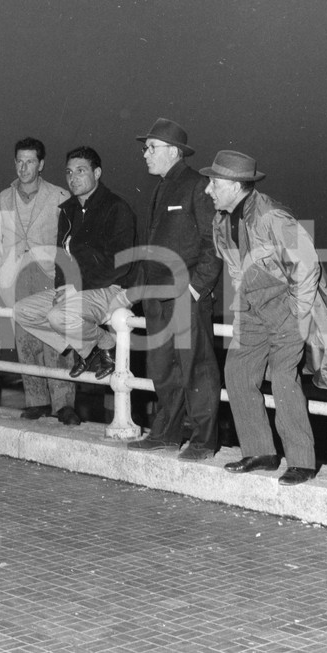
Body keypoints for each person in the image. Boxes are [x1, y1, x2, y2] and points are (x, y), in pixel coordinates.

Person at [202, 150, 327, 485]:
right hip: (254, 306)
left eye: (214, 183)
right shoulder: (222, 219)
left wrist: (299, 315)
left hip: (288, 304)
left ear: (234, 185)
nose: (208, 190)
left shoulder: (272, 216)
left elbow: (307, 266)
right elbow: (234, 267)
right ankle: (261, 452)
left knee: (285, 377)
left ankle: (301, 460)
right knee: (237, 371)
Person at [12, 146, 136, 425]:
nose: (73, 178)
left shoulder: (117, 208)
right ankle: (92, 347)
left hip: (109, 288)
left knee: (58, 316)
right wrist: (60, 286)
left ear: (97, 173)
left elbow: (121, 263)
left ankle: (98, 345)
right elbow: (60, 256)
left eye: (81, 171)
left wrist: (76, 286)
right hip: (74, 291)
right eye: (69, 172)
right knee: (22, 312)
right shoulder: (67, 210)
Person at [125, 118, 222, 461]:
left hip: (185, 297)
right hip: (157, 298)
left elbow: (215, 245)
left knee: (196, 366)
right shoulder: (162, 186)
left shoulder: (197, 185)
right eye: (146, 148)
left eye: (151, 148)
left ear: (173, 152)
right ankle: (166, 432)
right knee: (163, 367)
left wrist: (196, 289)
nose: (145, 154)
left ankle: (204, 440)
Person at [0, 137, 76, 421]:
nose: (24, 168)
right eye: (20, 162)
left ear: (41, 164)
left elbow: (71, 242)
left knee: (58, 339)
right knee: (26, 342)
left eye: (30, 162)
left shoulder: (60, 197)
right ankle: (36, 401)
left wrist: (67, 278)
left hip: (51, 276)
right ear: (15, 163)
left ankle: (64, 405)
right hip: (16, 279)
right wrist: (2, 276)